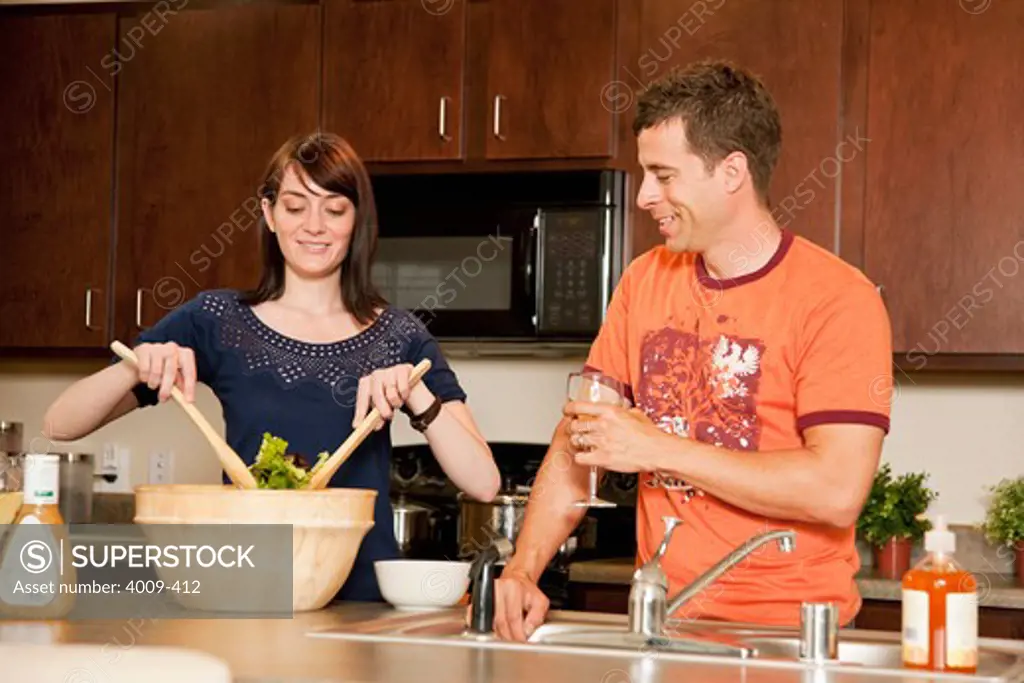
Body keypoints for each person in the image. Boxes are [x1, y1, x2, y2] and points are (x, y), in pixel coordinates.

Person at [488, 60, 893, 640]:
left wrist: (658, 448)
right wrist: (525, 569)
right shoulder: (645, 280)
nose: (646, 196)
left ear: (731, 172)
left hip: (790, 636)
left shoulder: (838, 299)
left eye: (664, 175)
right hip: (661, 624)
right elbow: (581, 443)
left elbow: (835, 491)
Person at [43, 131, 501, 602]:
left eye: (335, 208)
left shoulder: (400, 335)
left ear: (357, 219)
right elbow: (60, 424)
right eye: (296, 206)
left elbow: (484, 483)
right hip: (250, 591)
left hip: (363, 603)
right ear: (269, 214)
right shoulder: (216, 320)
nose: (315, 226)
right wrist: (134, 367)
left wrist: (416, 393)